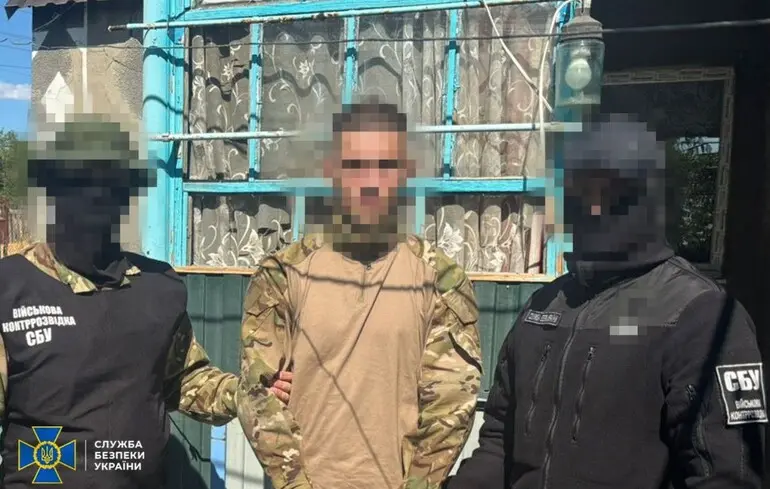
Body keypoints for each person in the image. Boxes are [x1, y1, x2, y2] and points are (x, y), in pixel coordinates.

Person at [441, 115, 766, 489]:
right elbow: (498, 444)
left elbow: (727, 475)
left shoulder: (701, 314)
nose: (593, 206)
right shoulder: (542, 308)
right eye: (581, 188)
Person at [236, 101, 483, 489]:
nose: (369, 181)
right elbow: (258, 395)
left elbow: (450, 406)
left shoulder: (441, 279)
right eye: (355, 166)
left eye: (384, 166)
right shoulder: (281, 274)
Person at [0, 115, 238, 488]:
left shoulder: (160, 287)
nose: (96, 196)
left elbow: (184, 380)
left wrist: (250, 394)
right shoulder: (10, 287)